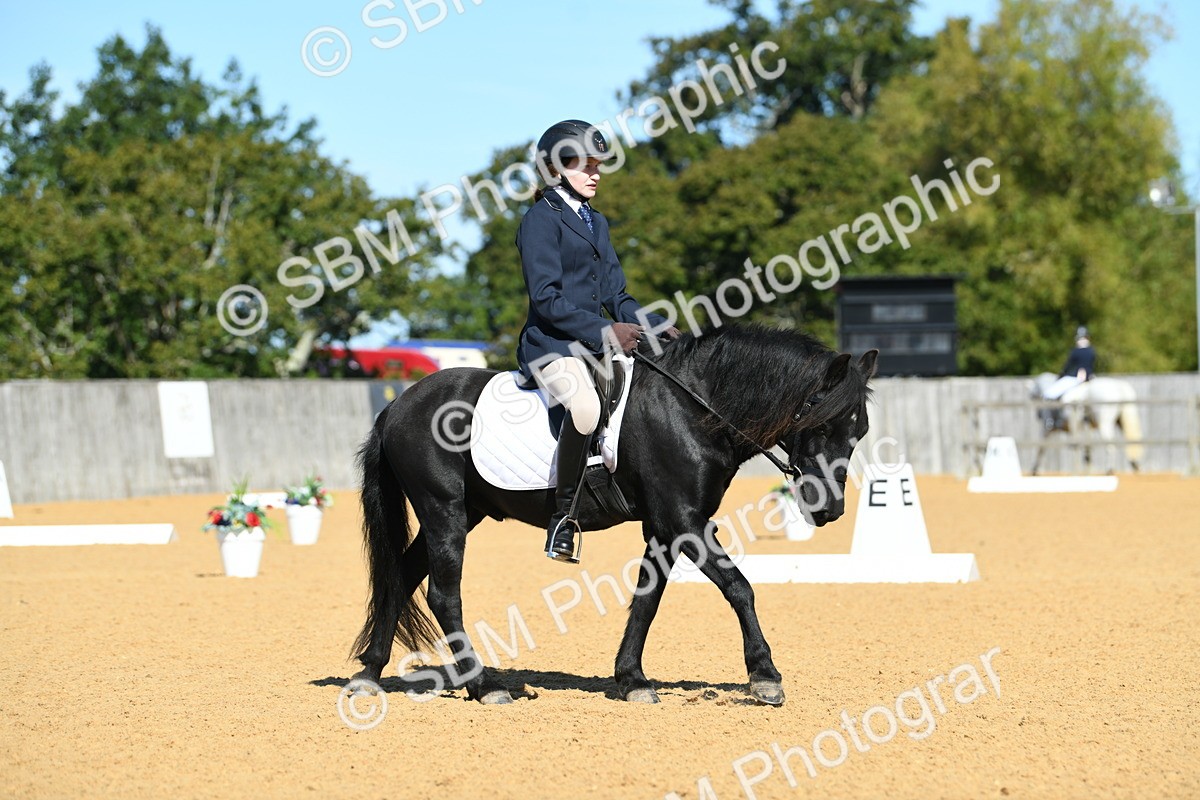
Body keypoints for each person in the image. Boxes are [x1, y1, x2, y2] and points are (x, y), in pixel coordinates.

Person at [515, 119, 679, 563]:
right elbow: (546, 298)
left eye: (597, 165)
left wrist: (656, 325)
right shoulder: (539, 220)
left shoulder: (596, 222)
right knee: (586, 408)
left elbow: (616, 296)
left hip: (592, 345)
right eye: (584, 165)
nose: (595, 173)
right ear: (555, 169)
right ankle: (562, 519)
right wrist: (606, 331)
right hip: (551, 346)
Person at [1043, 326, 1096, 400]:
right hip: (1088, 377)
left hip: (1074, 377)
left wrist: (1061, 374)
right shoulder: (1092, 351)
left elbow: (1068, 366)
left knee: (1049, 394)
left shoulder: (1075, 351)